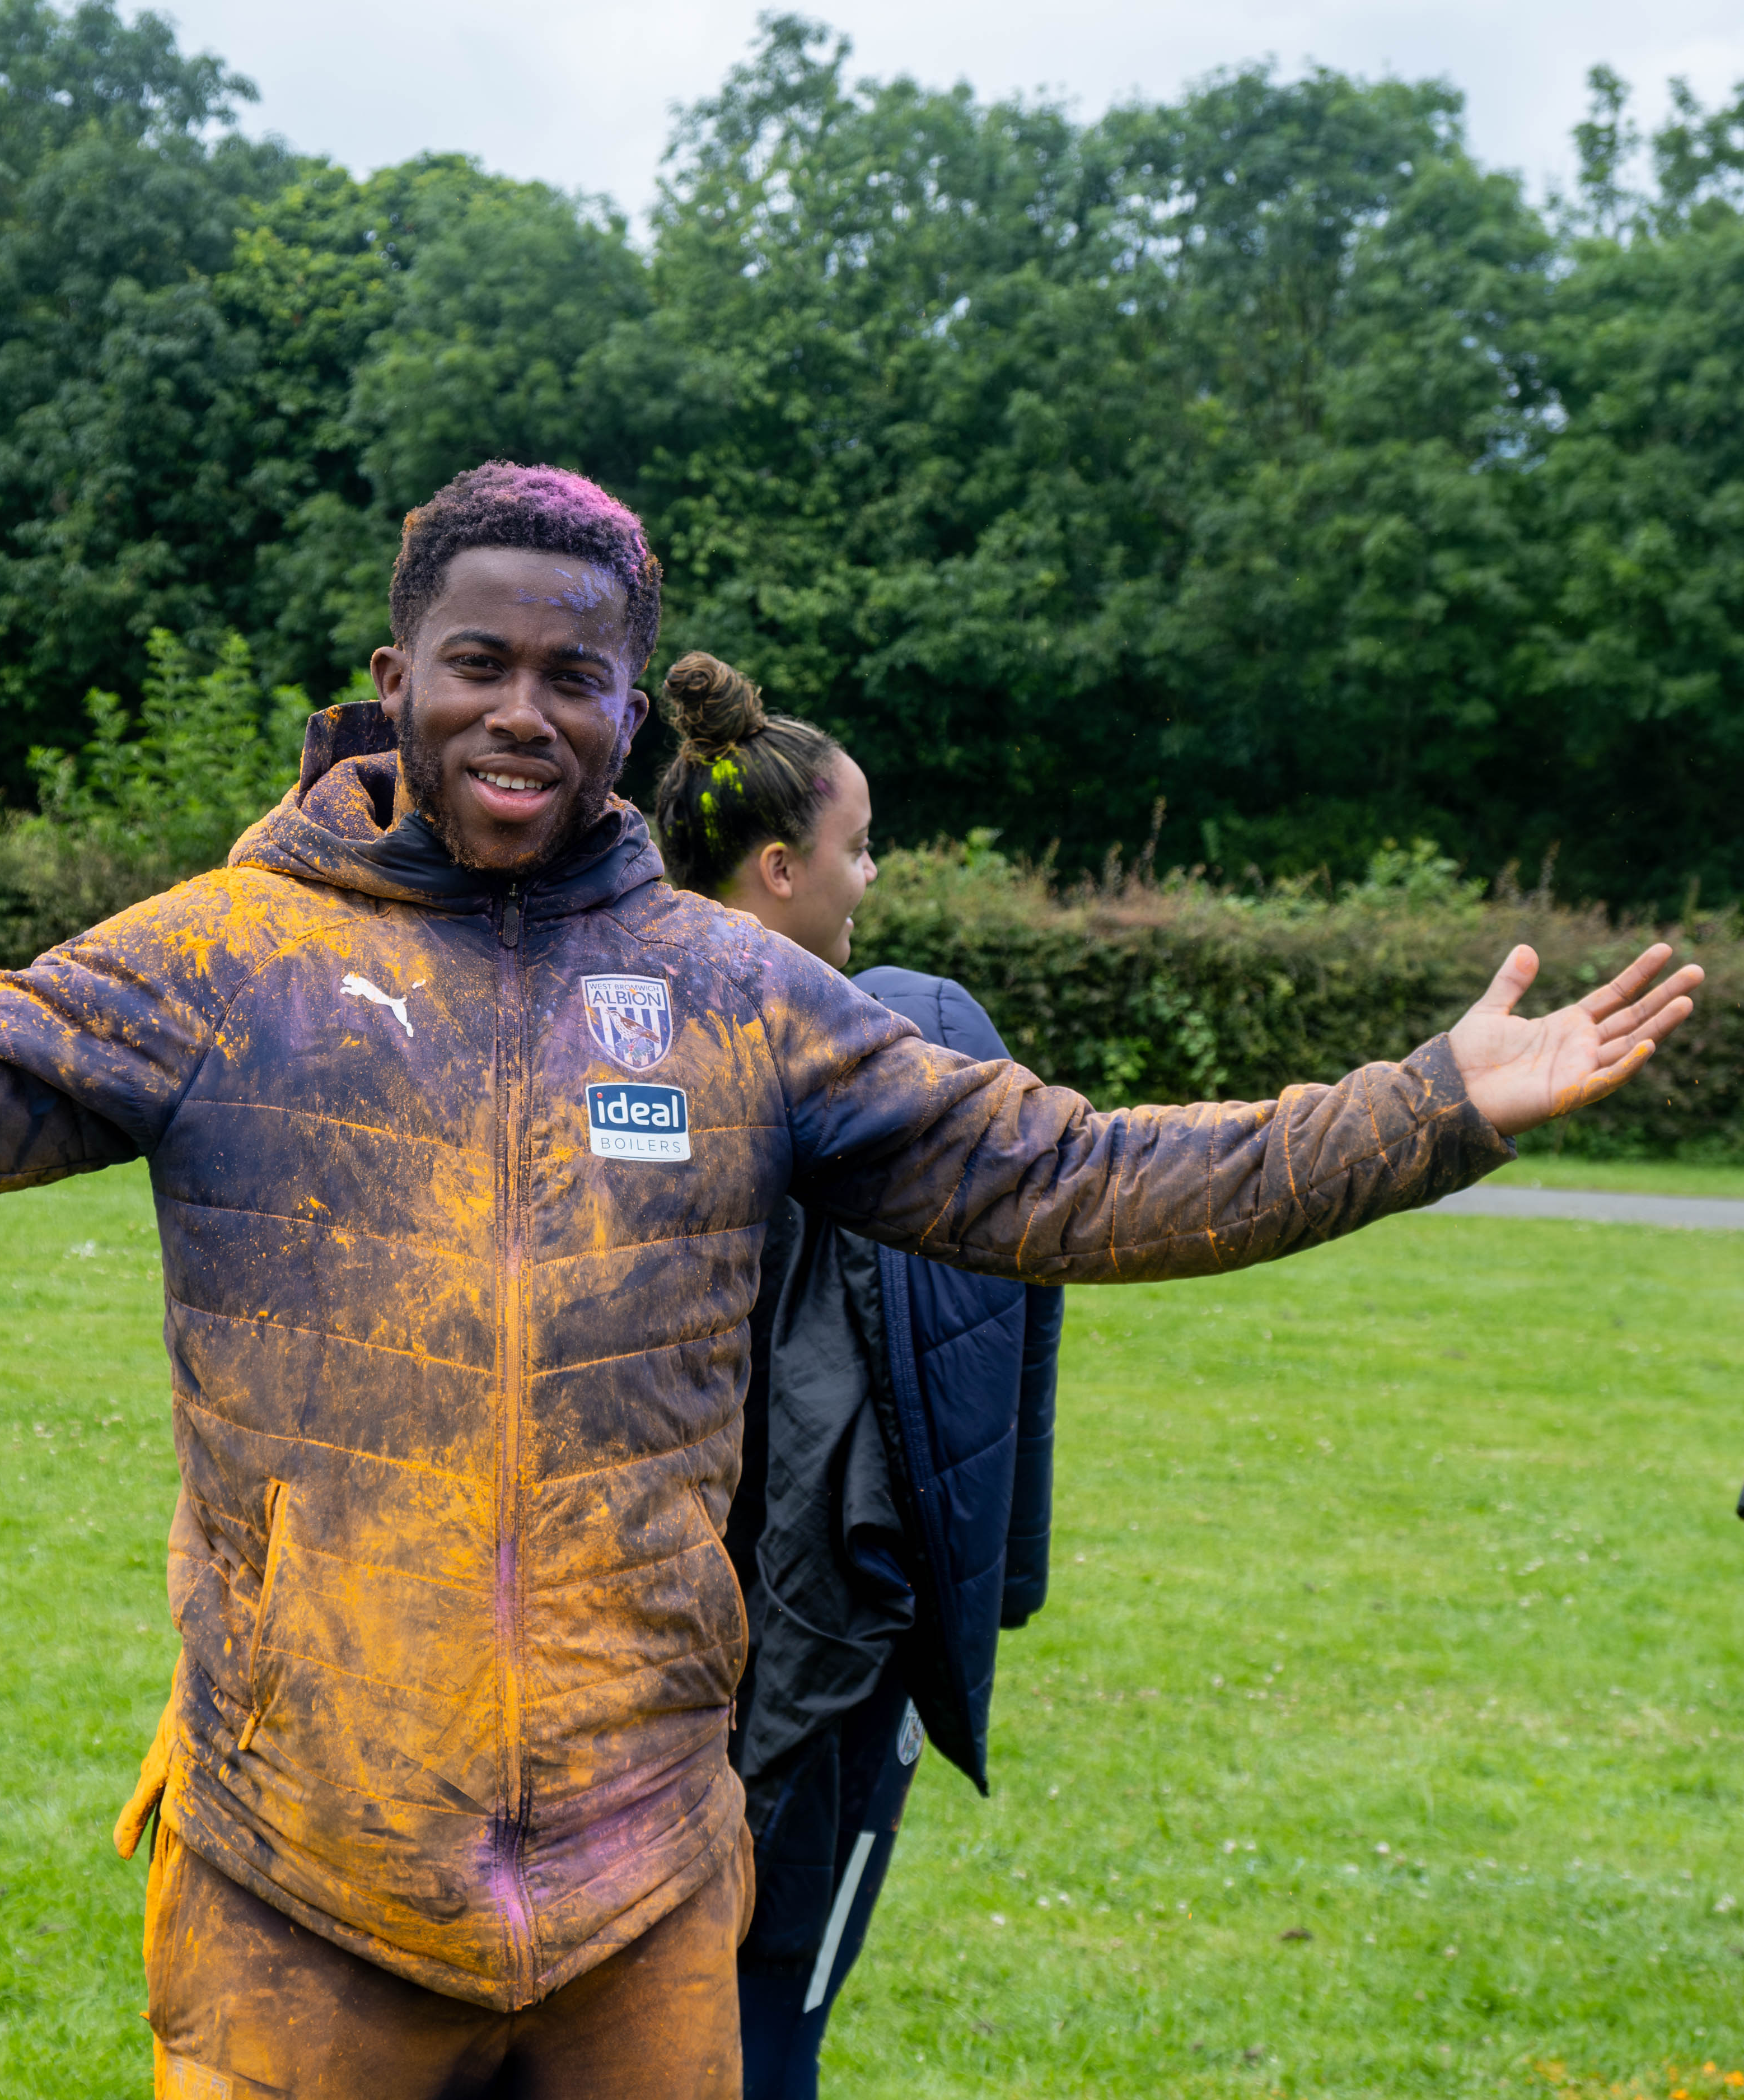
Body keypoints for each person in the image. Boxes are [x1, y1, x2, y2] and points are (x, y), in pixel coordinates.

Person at [0, 461, 1699, 2100]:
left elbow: (1062, 1177)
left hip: (640, 1872)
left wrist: (1425, 1106)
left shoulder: (727, 996)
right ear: (394, 672)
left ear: (634, 712)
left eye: (573, 674)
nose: (523, 708)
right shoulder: (218, 958)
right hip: (312, 1859)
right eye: (478, 659)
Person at [639, 654, 1061, 2096]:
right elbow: (1022, 1296)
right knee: (772, 2010)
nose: (867, 876)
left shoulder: (593, 1036)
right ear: (774, 869)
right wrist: (991, 1581)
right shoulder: (908, 1039)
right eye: (854, 847)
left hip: (604, 1631)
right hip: (803, 1649)